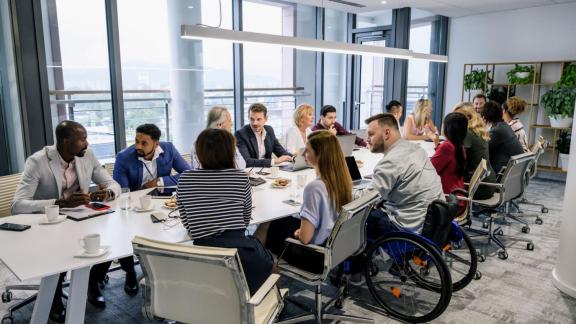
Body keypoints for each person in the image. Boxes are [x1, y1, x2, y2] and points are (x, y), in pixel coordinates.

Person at [11, 121, 121, 321]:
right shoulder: (37, 162)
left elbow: (113, 184)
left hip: (82, 218)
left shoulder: (87, 155)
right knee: (58, 260)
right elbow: (17, 205)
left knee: (108, 242)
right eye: (82, 139)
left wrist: (107, 193)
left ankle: (92, 284)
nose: (87, 144)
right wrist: (60, 203)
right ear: (65, 141)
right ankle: (53, 298)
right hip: (50, 223)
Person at [177, 128, 273, 295]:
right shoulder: (240, 177)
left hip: (203, 257)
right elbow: (244, 220)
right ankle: (270, 301)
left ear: (199, 153)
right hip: (240, 255)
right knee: (269, 258)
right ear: (230, 152)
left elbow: (187, 222)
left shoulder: (185, 178)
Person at [259, 130, 353, 273]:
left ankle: (263, 276)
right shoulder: (342, 179)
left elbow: (305, 239)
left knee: (265, 225)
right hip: (334, 247)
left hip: (313, 255)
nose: (303, 155)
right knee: (281, 221)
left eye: (307, 151)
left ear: (319, 155)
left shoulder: (315, 188)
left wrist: (300, 233)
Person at [113, 123, 190, 295]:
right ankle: (129, 272)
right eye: (136, 141)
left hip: (160, 203)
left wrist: (160, 182)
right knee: (127, 235)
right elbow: (122, 193)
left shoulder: (168, 149)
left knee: (171, 229)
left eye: (144, 143)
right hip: (133, 207)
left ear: (156, 143)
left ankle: (163, 271)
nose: (138, 146)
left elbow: (188, 173)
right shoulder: (124, 157)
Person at [365, 113, 444, 234]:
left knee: (358, 220)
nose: (367, 139)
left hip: (408, 227)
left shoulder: (391, 161)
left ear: (387, 133)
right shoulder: (416, 149)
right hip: (434, 222)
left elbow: (365, 200)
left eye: (371, 134)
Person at [453, 102, 497, 199]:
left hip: (477, 187)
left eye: (458, 116)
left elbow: (457, 160)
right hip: (488, 182)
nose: (454, 119)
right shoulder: (478, 130)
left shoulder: (468, 132)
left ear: (468, 117)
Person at [235, 103, 293, 167]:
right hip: (251, 172)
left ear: (266, 119)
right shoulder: (241, 134)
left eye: (258, 119)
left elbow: (281, 152)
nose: (255, 123)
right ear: (248, 117)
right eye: (252, 119)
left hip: (268, 171)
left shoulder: (269, 130)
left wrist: (295, 158)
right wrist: (274, 161)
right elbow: (247, 161)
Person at [481, 101, 524, 175]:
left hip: (501, 172)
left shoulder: (496, 131)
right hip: (512, 172)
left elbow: (482, 149)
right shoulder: (504, 126)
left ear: (484, 118)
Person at [431, 113, 468, 196]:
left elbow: (429, 169)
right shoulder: (460, 145)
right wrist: (437, 146)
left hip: (447, 198)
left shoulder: (447, 147)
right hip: (457, 195)